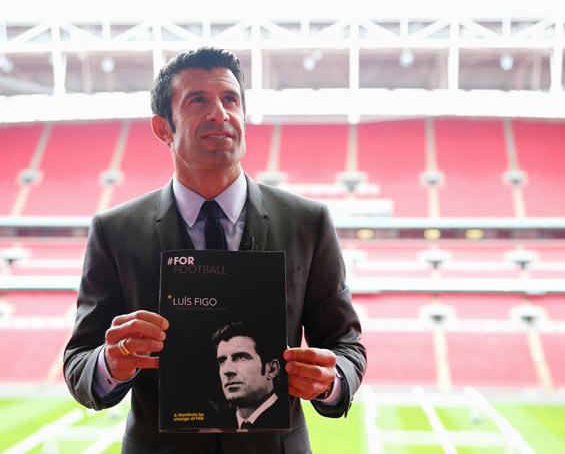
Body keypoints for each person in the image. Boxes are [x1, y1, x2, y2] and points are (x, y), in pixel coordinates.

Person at [63, 46, 366, 454]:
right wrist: (111, 362)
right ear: (162, 128)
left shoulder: (307, 221)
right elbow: (79, 362)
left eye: (230, 99)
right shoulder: (114, 231)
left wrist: (332, 379)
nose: (220, 113)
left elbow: (346, 344)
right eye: (198, 100)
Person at [212, 321, 285, 429]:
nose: (227, 370)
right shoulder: (217, 422)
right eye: (222, 361)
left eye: (241, 357)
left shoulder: (284, 416)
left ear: (272, 369)